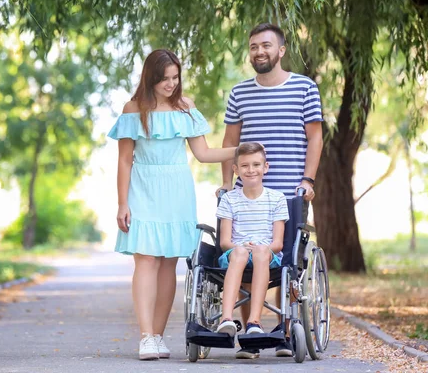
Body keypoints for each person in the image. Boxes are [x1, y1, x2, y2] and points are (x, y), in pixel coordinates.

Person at [108, 49, 237, 361]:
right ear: (150, 78)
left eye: (175, 77)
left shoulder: (185, 107)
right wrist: (122, 203)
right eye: (164, 78)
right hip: (143, 188)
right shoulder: (133, 108)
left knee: (169, 262)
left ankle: (158, 336)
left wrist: (241, 150)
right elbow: (125, 161)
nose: (170, 84)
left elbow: (204, 154)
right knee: (146, 260)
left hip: (177, 188)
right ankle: (145, 337)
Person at [217, 22, 323, 358]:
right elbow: (230, 144)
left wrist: (308, 180)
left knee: (288, 259)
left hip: (290, 191)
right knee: (246, 256)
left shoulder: (305, 87)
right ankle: (252, 332)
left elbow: (315, 137)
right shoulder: (239, 93)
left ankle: (286, 328)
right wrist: (224, 185)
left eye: (266, 45)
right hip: (246, 188)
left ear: (281, 50)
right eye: (253, 47)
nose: (259, 52)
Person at [215, 142, 289, 358]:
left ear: (265, 167)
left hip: (267, 255)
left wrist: (260, 248)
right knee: (239, 252)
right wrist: (241, 247)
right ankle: (226, 319)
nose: (251, 169)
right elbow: (225, 242)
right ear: (236, 169)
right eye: (245, 165)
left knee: (260, 252)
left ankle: (254, 322)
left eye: (256, 164)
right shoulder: (229, 199)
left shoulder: (277, 199)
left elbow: (278, 243)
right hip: (236, 254)